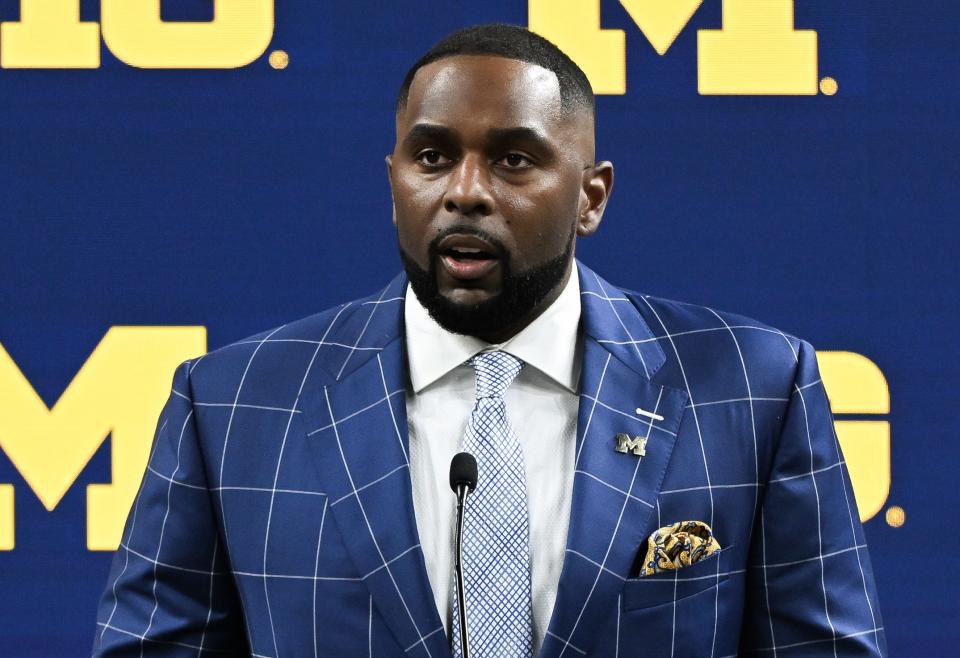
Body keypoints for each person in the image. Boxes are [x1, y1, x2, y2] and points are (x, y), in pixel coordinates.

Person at [93, 23, 885, 658]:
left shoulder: (753, 387)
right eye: (432, 157)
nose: (464, 192)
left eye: (513, 159)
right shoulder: (233, 402)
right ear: (394, 178)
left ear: (591, 196)